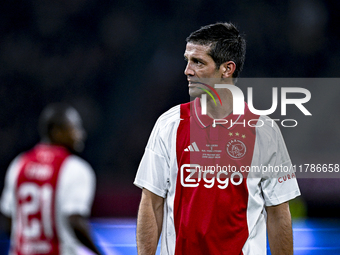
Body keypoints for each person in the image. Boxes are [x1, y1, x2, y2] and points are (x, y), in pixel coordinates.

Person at [134, 22, 300, 255]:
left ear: (227, 69)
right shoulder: (169, 124)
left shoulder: (264, 130)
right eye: (187, 60)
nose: (187, 70)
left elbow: (279, 212)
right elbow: (151, 202)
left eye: (198, 62)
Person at [0, 103, 102, 255]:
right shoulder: (75, 168)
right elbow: (75, 220)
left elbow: (8, 221)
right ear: (57, 132)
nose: (80, 134)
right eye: (74, 128)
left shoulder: (19, 163)